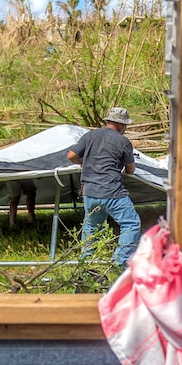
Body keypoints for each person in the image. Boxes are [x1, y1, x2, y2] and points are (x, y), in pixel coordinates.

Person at [67, 106, 141, 266]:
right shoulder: (123, 141)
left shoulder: (90, 135)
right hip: (112, 191)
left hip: (90, 192)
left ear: (108, 120)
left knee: (91, 227)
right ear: (122, 125)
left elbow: (71, 155)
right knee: (131, 223)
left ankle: (86, 263)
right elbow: (130, 169)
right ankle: (119, 262)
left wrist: (83, 163)